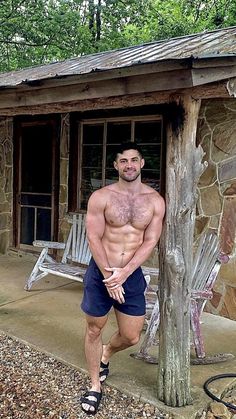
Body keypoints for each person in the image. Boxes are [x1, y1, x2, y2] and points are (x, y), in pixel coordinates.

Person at [80, 142, 165, 415]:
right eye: (123, 161)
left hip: (130, 275)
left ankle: (106, 354)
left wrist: (124, 274)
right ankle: (95, 385)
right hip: (101, 272)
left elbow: (151, 239)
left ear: (141, 163)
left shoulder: (154, 201)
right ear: (116, 166)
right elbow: (93, 236)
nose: (129, 165)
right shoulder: (101, 197)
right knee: (94, 328)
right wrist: (108, 276)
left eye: (134, 160)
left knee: (131, 336)